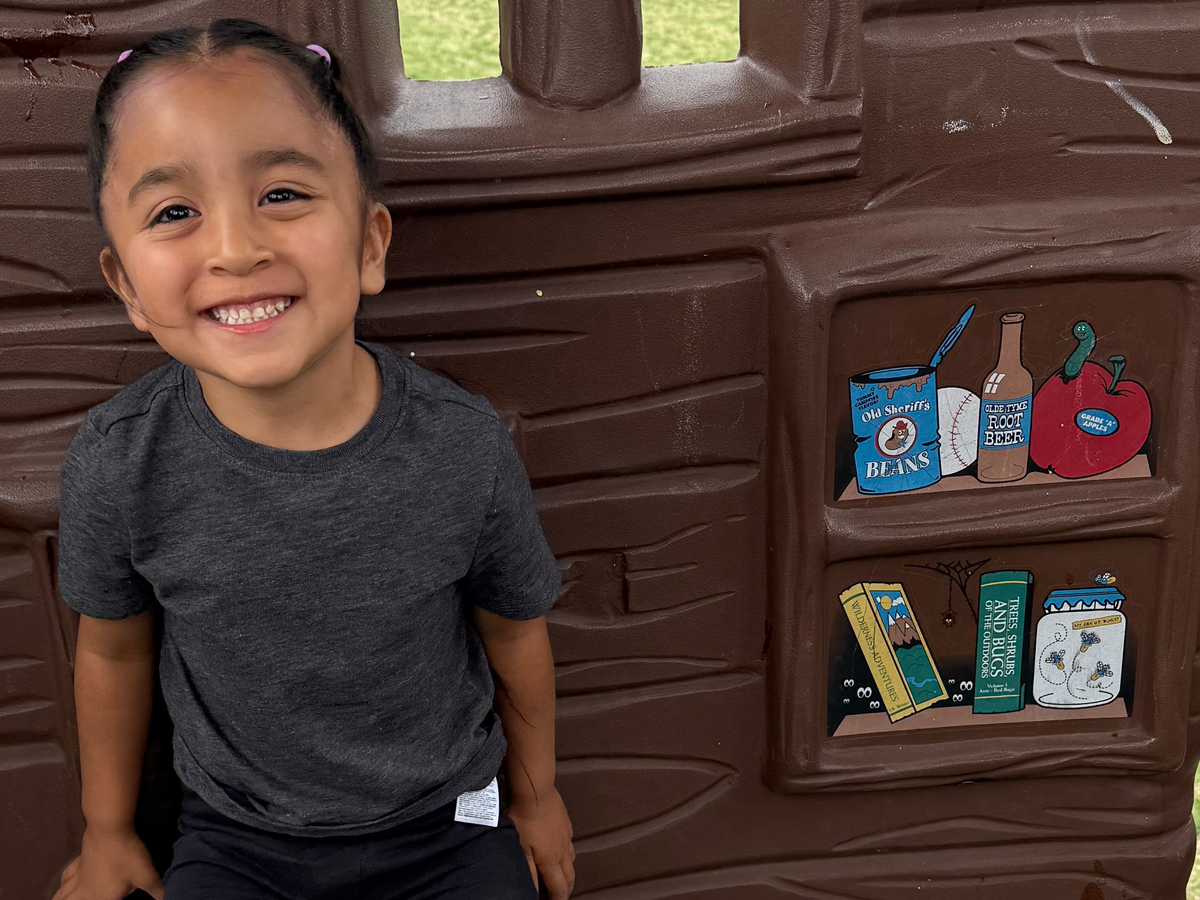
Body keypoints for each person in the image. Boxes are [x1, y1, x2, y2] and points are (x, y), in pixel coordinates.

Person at [51, 18, 574, 900]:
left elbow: (515, 632)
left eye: (283, 194)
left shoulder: (460, 446)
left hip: (448, 822)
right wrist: (107, 832)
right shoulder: (119, 463)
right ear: (127, 287)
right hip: (237, 838)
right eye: (175, 212)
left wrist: (539, 794)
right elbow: (113, 655)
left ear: (369, 244)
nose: (235, 249)